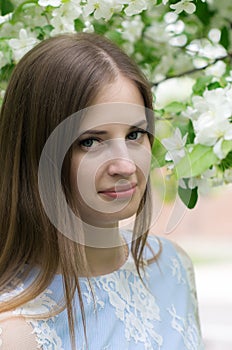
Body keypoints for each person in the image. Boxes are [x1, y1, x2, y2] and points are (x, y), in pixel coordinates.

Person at [0, 32, 204, 350]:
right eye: (91, 141)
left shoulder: (173, 267)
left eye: (135, 133)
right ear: (37, 154)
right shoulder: (16, 330)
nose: (125, 166)